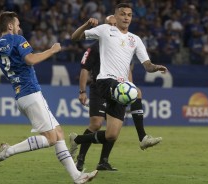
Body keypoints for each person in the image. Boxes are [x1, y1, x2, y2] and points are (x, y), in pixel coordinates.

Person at [0, 11, 97, 184]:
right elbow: (30, 59)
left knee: (58, 134)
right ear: (10, 26)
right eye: (17, 25)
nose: (19, 28)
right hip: (31, 93)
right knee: (51, 139)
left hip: (22, 96)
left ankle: (77, 177)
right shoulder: (17, 39)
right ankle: (8, 151)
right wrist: (52, 50)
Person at [69, 3, 167, 170]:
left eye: (129, 14)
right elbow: (74, 38)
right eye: (122, 14)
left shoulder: (135, 39)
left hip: (120, 85)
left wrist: (155, 67)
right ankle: (143, 137)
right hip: (104, 81)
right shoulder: (105, 30)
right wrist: (86, 24)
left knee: (111, 134)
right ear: (115, 16)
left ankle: (76, 140)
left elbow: (147, 65)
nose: (126, 17)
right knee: (136, 92)